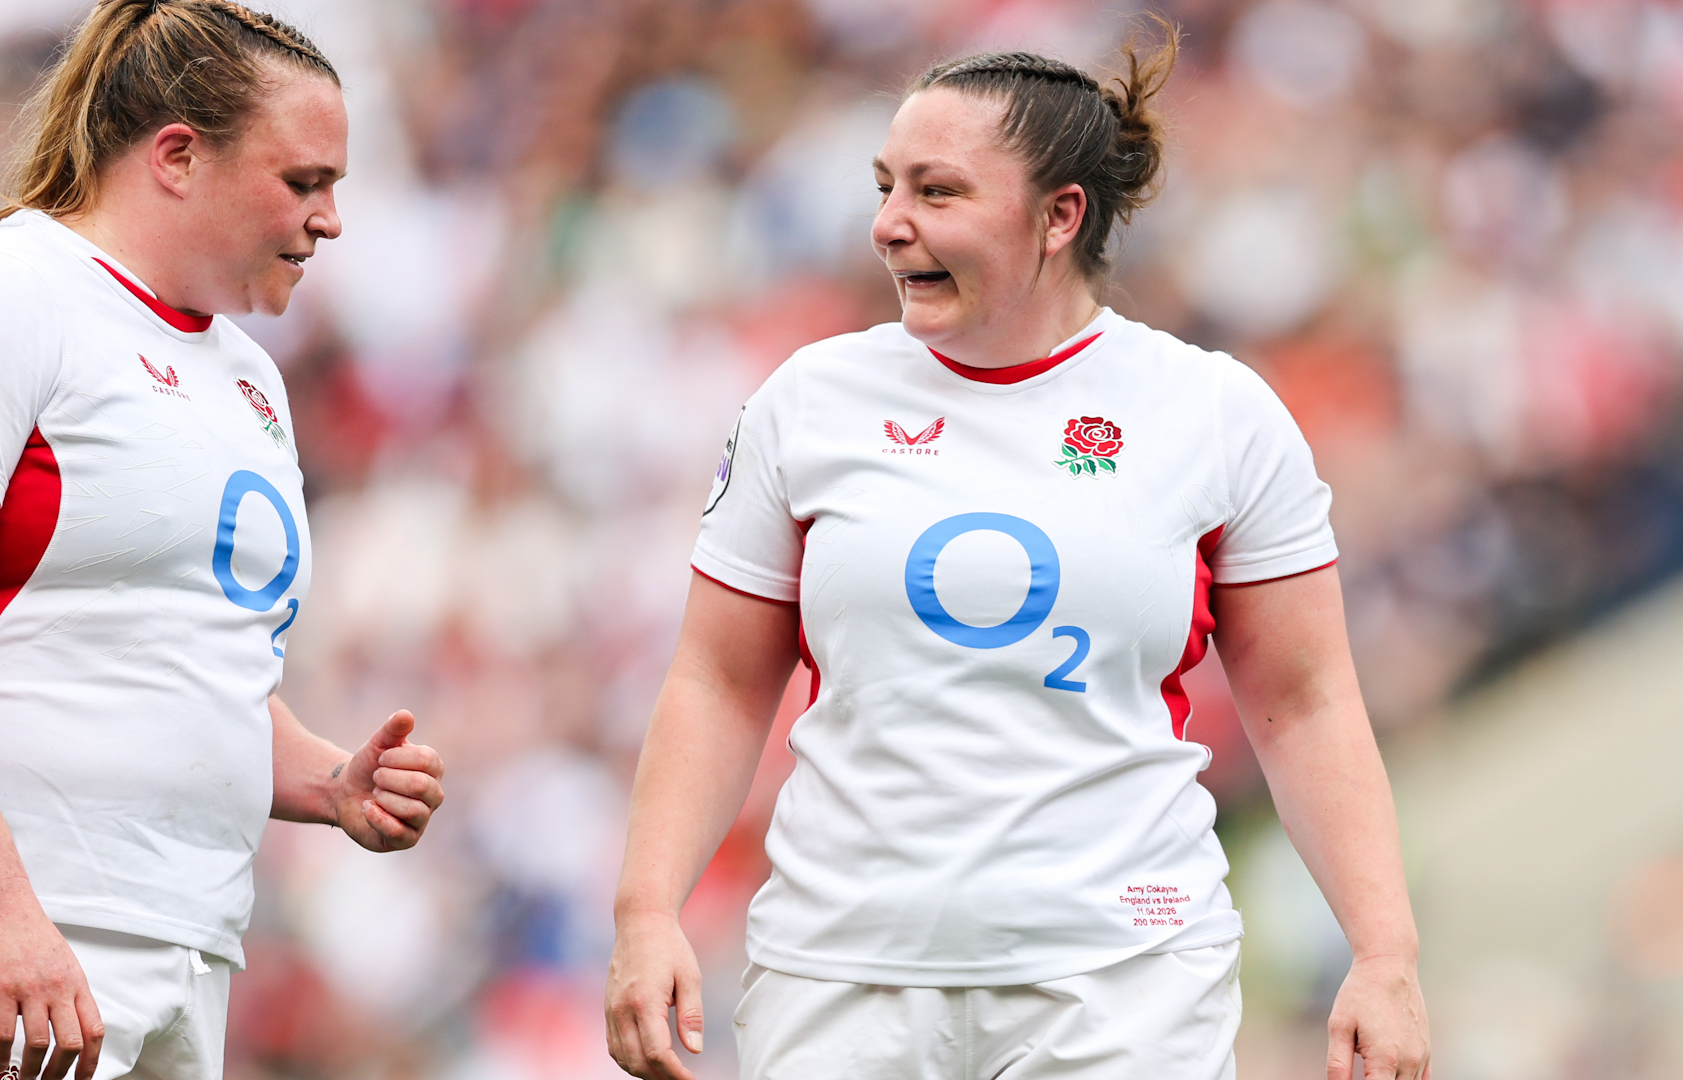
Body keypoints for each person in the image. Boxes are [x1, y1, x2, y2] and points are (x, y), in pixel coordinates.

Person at [605, 35, 1429, 1080]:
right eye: (885, 186)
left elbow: (1307, 700)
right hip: (842, 975)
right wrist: (646, 912)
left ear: (1060, 216)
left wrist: (1384, 952)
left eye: (937, 192)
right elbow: (718, 680)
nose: (887, 224)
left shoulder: (1213, 414)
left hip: (1120, 981)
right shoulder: (808, 403)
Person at [0, 3, 445, 1079]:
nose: (330, 221)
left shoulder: (249, 377)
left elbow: (169, 657)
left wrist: (328, 782)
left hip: (186, 948)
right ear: (177, 155)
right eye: (304, 182)